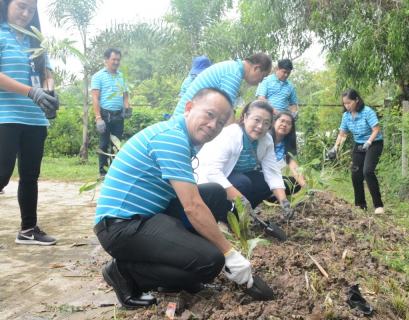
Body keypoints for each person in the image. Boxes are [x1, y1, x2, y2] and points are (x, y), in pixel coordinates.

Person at [94, 88, 254, 309]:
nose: (213, 125)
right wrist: (229, 253)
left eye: (220, 122)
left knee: (215, 194)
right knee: (211, 261)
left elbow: (195, 198)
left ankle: (173, 274)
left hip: (148, 216)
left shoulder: (182, 138)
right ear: (189, 108)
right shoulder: (172, 139)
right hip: (121, 228)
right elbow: (192, 206)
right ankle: (124, 271)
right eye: (209, 114)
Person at [0, 0, 59, 245]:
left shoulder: (35, 40)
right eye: (21, 7)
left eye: (31, 10)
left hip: (34, 118)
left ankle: (28, 229)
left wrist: (49, 93)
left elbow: (47, 73)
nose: (26, 13)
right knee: (2, 175)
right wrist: (30, 92)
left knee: (29, 176)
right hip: (6, 116)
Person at [196, 100, 295, 224]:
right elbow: (212, 172)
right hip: (207, 181)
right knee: (243, 183)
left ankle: (239, 218)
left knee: (263, 183)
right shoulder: (230, 135)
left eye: (266, 123)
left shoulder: (266, 140)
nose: (260, 126)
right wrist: (241, 198)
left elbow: (272, 172)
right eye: (257, 120)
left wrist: (283, 200)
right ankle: (223, 220)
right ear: (245, 117)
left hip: (233, 177)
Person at [327, 88, 384, 214]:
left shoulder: (367, 112)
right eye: (345, 103)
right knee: (356, 173)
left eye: (349, 103)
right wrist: (334, 149)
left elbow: (376, 130)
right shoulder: (346, 116)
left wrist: (368, 142)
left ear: (356, 100)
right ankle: (360, 205)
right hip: (359, 144)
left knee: (367, 171)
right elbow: (342, 135)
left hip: (374, 143)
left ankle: (378, 206)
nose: (347, 106)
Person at [173, 53, 272, 125]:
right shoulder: (233, 74)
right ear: (256, 68)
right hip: (183, 121)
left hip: (189, 118)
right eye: (263, 76)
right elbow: (228, 115)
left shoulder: (233, 67)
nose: (261, 81)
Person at [92, 48, 131, 178]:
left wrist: (127, 109)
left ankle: (114, 173)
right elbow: (95, 98)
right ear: (106, 59)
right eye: (114, 59)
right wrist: (98, 118)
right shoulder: (98, 76)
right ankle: (103, 173)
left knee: (117, 145)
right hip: (105, 116)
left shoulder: (122, 76)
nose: (116, 62)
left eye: (118, 60)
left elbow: (125, 96)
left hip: (118, 116)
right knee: (103, 145)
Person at [269, 111, 306, 194]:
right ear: (274, 122)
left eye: (288, 123)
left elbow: (294, 167)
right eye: (282, 121)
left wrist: (304, 185)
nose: (284, 125)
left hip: (273, 178)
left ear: (291, 129)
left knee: (295, 184)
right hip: (258, 174)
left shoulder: (288, 146)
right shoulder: (264, 139)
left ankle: (270, 197)